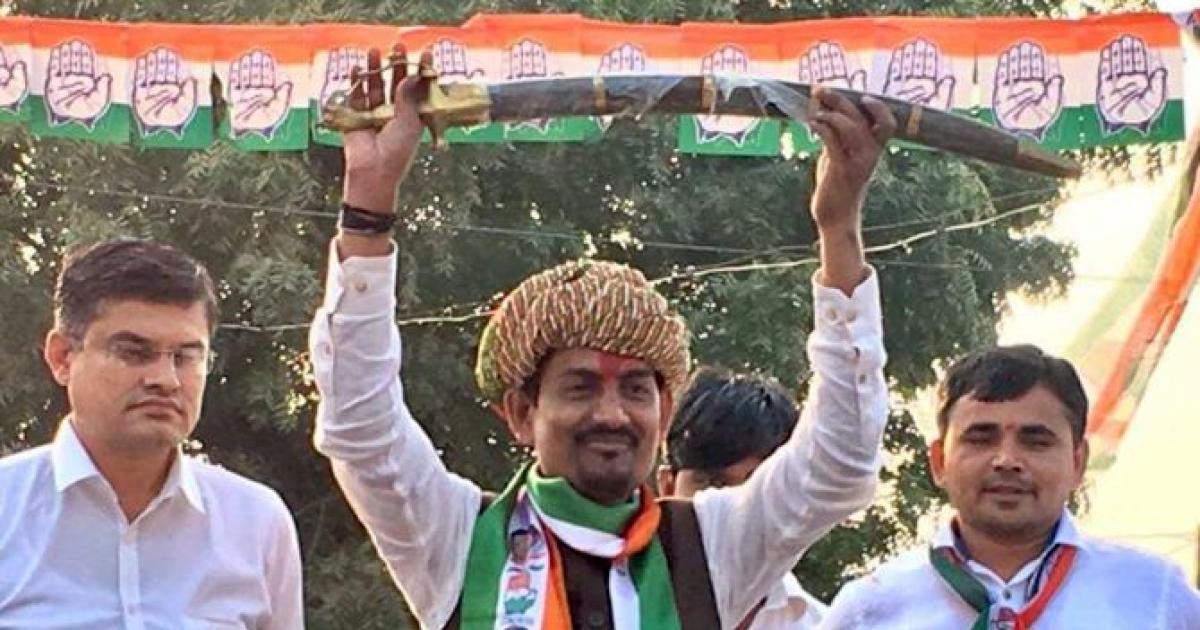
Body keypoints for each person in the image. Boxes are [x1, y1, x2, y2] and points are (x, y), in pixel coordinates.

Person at [312, 48, 895, 629]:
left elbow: (840, 461)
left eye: (636, 390)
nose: (612, 415)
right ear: (521, 413)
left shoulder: (711, 545)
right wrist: (368, 204)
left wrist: (839, 226)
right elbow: (362, 428)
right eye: (581, 387)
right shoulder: (457, 538)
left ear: (664, 415)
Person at [0, 240, 304, 629]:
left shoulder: (255, 523)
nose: (165, 379)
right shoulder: (8, 510)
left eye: (185, 356)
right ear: (62, 357)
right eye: (133, 352)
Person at [821, 344, 1200, 629]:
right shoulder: (869, 609)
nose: (1006, 460)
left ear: (1077, 462)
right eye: (981, 438)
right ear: (938, 461)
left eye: (1036, 441)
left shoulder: (1157, 596)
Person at [658, 367, 828, 629]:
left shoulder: (824, 624)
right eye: (714, 483)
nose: (736, 506)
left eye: (759, 488)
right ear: (668, 487)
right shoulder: (623, 609)